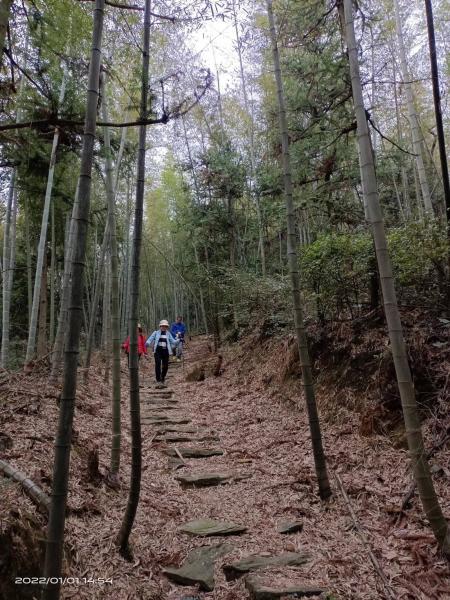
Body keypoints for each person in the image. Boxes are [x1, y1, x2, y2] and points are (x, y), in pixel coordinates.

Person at [145, 320, 178, 388]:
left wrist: (179, 340)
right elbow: (150, 339)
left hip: (166, 351)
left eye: (165, 326)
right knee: (158, 365)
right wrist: (147, 343)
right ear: (160, 326)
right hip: (158, 351)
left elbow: (173, 342)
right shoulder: (156, 333)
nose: (164, 327)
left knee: (165, 366)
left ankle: (162, 377)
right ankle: (158, 380)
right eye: (162, 326)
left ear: (167, 327)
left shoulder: (168, 334)